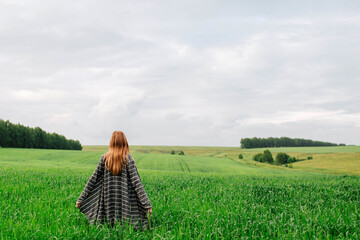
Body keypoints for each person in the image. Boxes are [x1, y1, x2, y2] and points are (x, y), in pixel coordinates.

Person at [76, 131, 152, 229]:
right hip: (125, 199)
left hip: (108, 199)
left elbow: (93, 179)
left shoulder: (105, 158)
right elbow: (136, 182)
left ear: (111, 143)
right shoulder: (128, 159)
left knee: (108, 226)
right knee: (126, 227)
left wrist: (81, 198)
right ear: (125, 142)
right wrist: (146, 203)